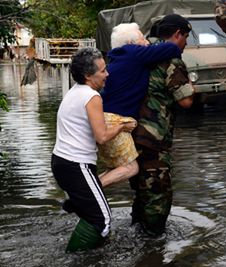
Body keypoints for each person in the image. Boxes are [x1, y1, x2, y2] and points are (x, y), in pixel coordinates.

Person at [51, 48, 136, 252]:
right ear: (89, 76)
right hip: (75, 165)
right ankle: (73, 260)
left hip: (62, 163)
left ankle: (94, 254)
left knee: (94, 217)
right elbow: (102, 136)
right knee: (102, 220)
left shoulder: (75, 91)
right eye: (103, 71)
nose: (107, 74)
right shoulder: (91, 97)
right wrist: (123, 126)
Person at [130, 14, 195, 236]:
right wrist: (190, 84)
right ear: (177, 34)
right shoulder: (171, 59)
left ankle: (137, 237)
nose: (186, 43)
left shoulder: (139, 50)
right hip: (154, 139)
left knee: (141, 190)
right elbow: (186, 101)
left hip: (129, 135)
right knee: (158, 194)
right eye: (186, 37)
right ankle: (154, 252)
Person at [98, 22, 183, 187]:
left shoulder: (116, 58)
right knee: (131, 168)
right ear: (131, 43)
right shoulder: (132, 53)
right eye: (142, 38)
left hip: (104, 120)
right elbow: (173, 48)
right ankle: (85, 195)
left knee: (116, 169)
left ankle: (81, 192)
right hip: (116, 121)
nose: (147, 42)